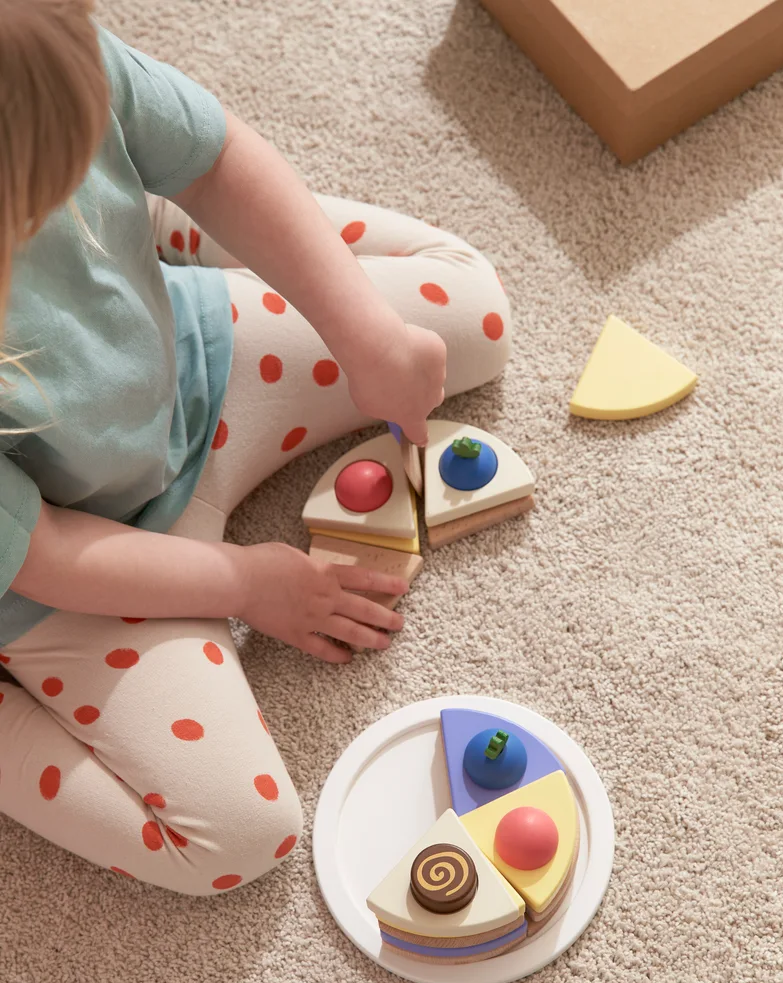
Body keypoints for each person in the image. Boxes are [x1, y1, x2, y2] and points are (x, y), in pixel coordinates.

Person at [0, 0, 511, 895]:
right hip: (68, 567)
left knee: (473, 314)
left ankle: (159, 215)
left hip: (195, 361)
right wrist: (244, 583)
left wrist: (366, 337)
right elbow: (49, 556)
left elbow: (218, 156)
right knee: (239, 837)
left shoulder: (32, 44)